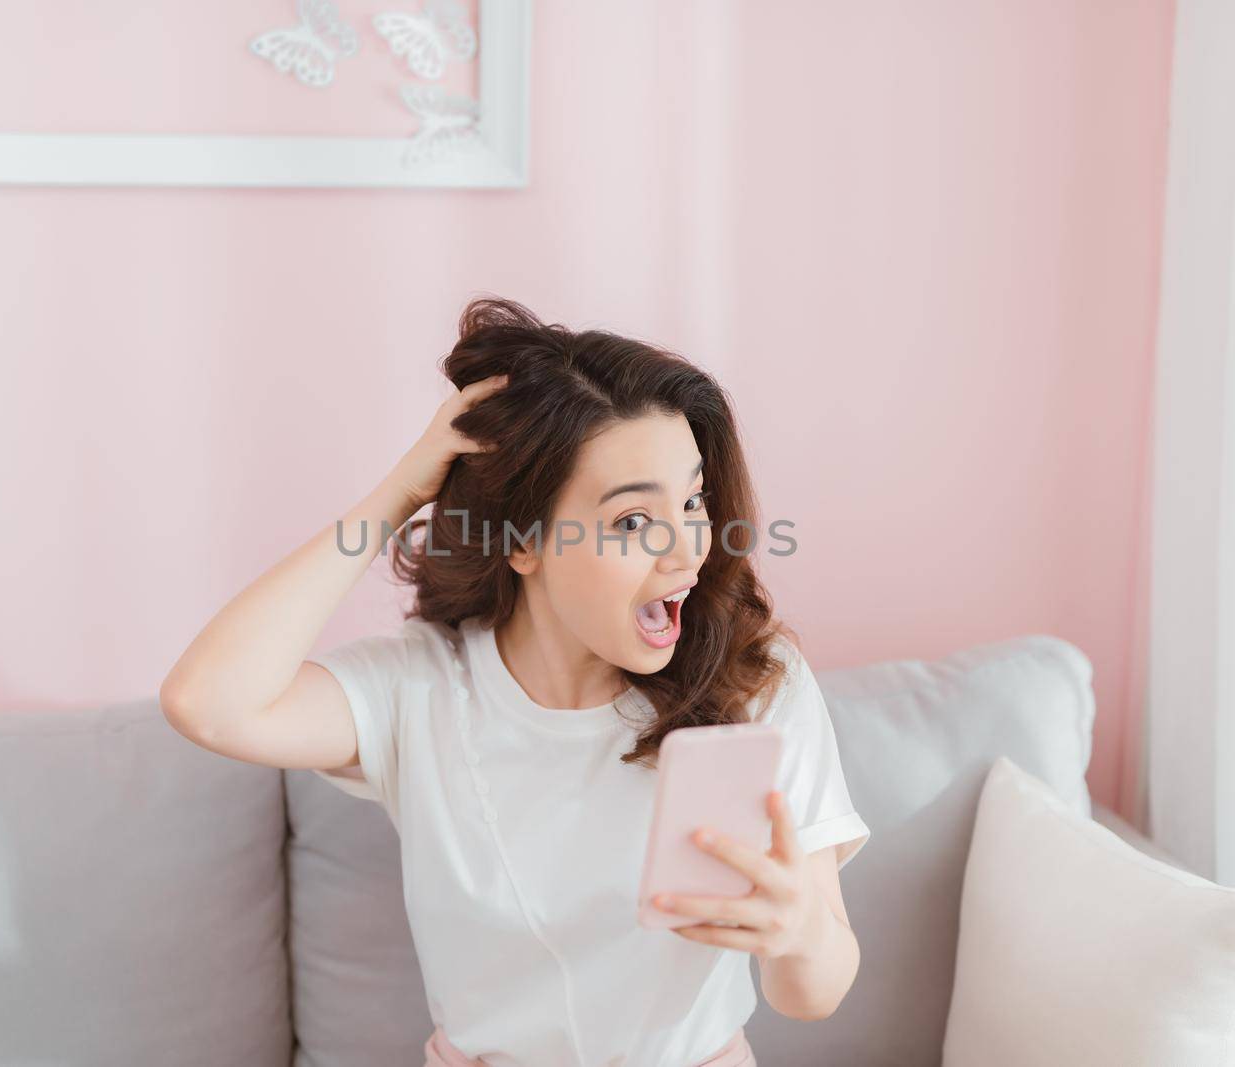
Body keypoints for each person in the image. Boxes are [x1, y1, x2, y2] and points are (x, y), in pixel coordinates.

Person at [159, 296, 870, 1067]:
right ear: (523, 541)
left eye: (693, 501)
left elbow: (813, 994)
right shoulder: (420, 690)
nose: (686, 552)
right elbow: (208, 701)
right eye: (634, 521)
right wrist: (397, 495)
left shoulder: (754, 682)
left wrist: (798, 930)